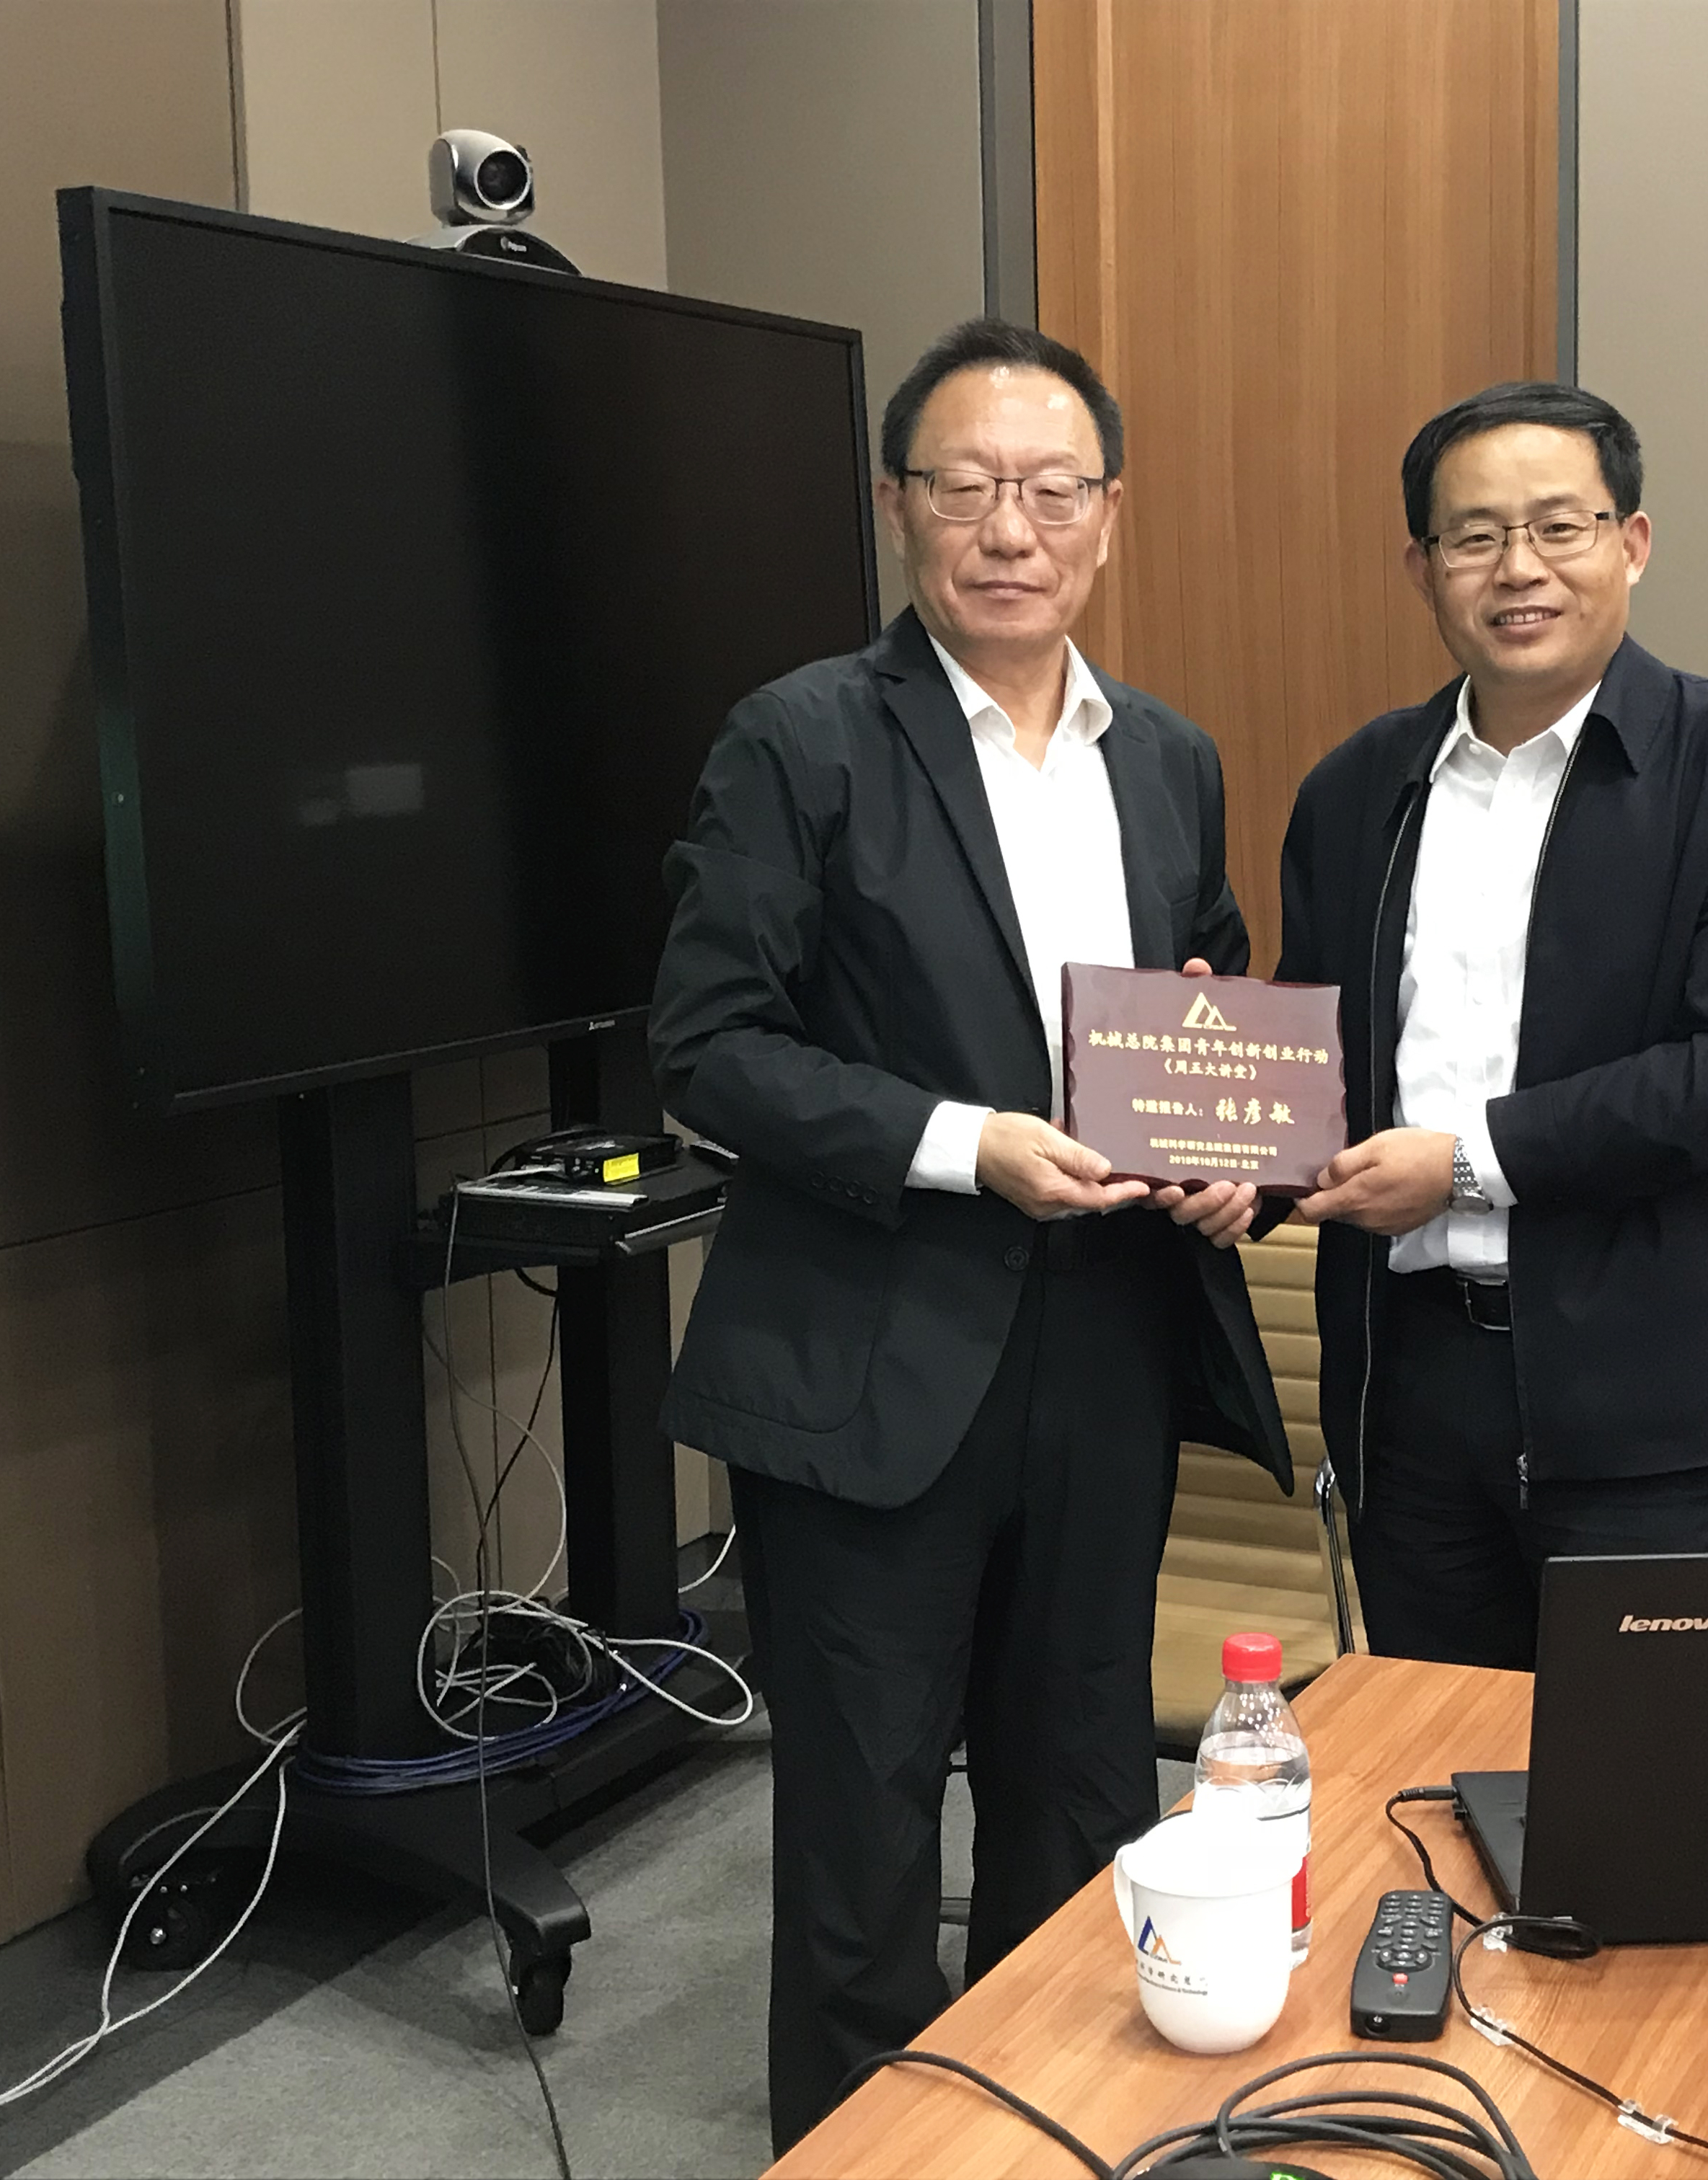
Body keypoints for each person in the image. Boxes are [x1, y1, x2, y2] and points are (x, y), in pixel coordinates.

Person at [647, 319, 1288, 2149]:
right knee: (862, 1823)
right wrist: (964, 1144)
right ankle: (866, 2152)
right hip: (872, 1350)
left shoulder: (1167, 757)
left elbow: (1208, 987)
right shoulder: (800, 739)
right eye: (969, 487)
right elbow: (708, 1045)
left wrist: (1230, 1157)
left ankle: (1049, 2133)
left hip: (1107, 1341)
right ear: (898, 507)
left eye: (1053, 489)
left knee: (1078, 1784)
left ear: (1109, 516)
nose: (1013, 528)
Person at [1272, 381, 1708, 1670]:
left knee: (1648, 1764)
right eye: (1473, 536)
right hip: (1410, 1391)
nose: (1517, 567)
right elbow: (1319, 1067)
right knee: (1431, 1753)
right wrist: (1224, 1132)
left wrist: (1467, 1162)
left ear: (1630, 542)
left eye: (1557, 526)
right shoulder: (1357, 787)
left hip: (1646, 1399)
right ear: (1421, 568)